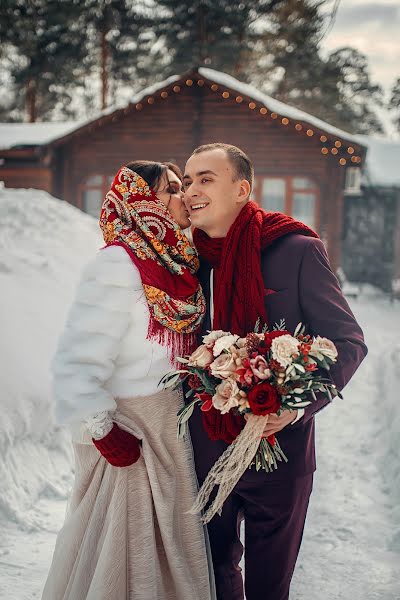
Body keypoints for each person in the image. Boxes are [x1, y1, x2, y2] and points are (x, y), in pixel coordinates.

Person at [182, 143, 368, 600]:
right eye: (186, 181)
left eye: (205, 179)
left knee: (270, 586)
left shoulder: (297, 250)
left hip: (280, 450)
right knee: (215, 575)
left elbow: (348, 342)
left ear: (242, 189)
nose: (190, 191)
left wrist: (298, 404)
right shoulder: (187, 262)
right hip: (205, 451)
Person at [42, 160, 216, 600]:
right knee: (122, 551)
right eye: (171, 189)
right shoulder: (119, 264)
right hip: (129, 430)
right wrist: (103, 432)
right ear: (143, 203)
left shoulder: (179, 263)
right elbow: (77, 361)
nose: (184, 196)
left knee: (169, 550)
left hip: (167, 426)